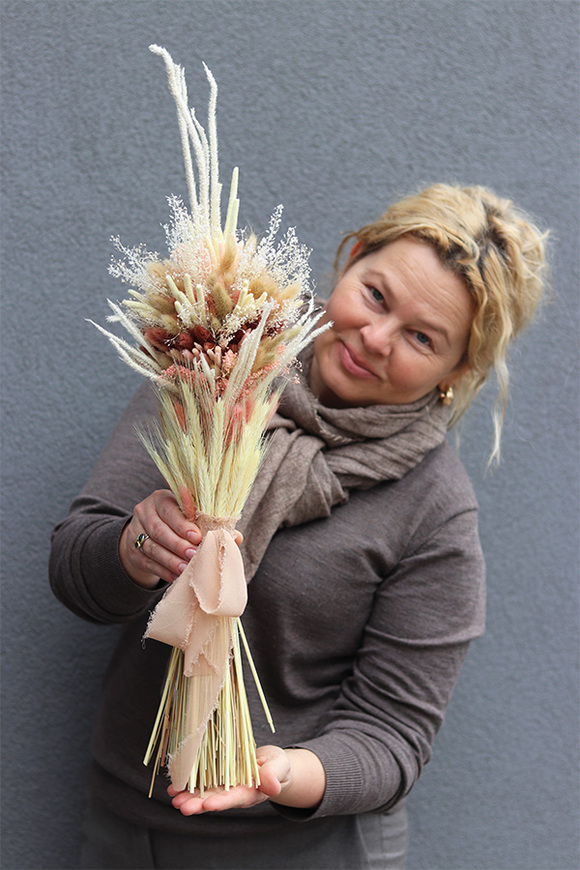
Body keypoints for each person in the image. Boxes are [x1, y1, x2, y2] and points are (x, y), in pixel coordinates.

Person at [49, 182, 547, 870]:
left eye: (421, 338)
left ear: (456, 372)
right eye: (376, 295)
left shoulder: (434, 506)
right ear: (351, 258)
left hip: (302, 849)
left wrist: (281, 774)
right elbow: (76, 568)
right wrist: (138, 548)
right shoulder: (216, 367)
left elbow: (394, 735)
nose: (375, 339)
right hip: (127, 829)